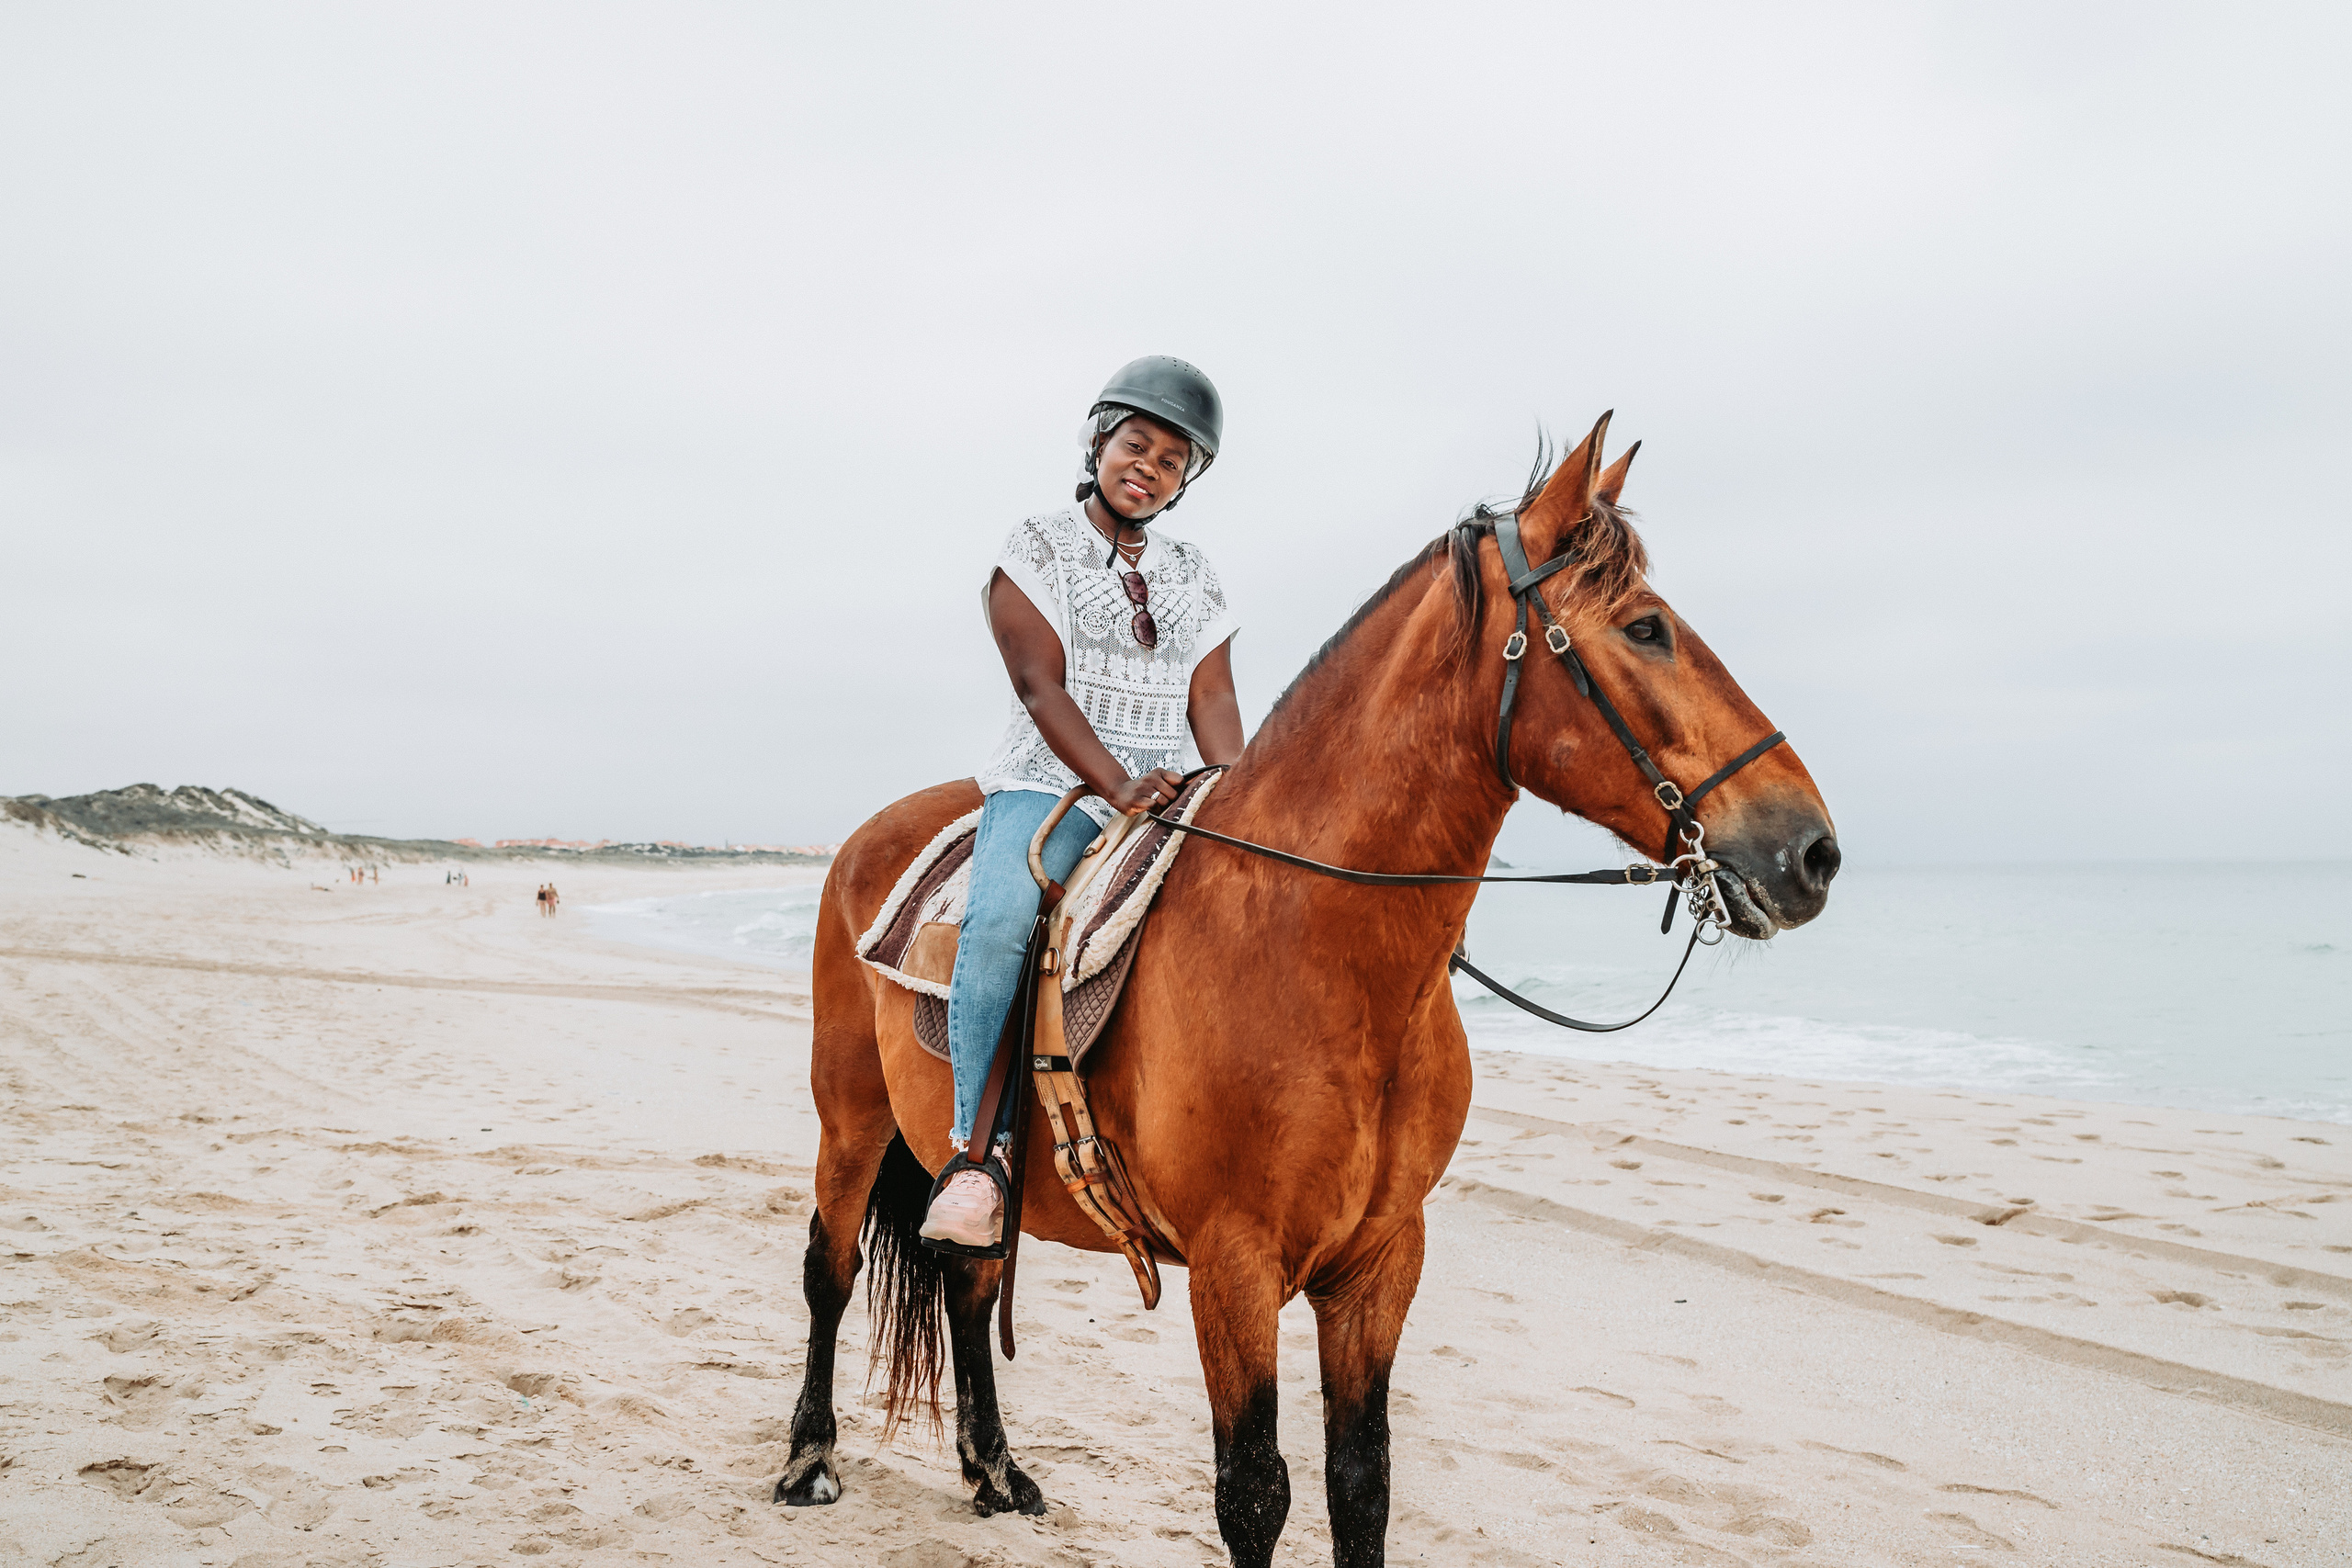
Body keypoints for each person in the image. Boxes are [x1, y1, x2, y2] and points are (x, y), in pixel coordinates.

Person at [919, 356, 1246, 1250]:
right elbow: (1037, 679)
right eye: (1134, 445)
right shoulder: (1037, 543)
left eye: (1171, 461)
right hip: (1051, 785)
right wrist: (1114, 783)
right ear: (1100, 442)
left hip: (1168, 793)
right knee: (999, 924)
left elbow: (1211, 700)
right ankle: (976, 1155)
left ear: (1184, 481)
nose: (1147, 467)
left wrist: (1236, 794)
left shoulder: (1195, 573)